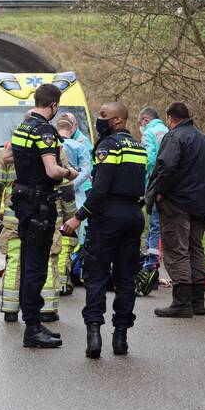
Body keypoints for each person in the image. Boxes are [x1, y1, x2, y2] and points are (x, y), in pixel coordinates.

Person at [63, 102, 146, 359]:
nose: (99, 120)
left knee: (96, 276)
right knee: (125, 279)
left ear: (118, 120)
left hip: (108, 217)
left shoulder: (109, 146)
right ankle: (121, 338)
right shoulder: (138, 147)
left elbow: (100, 188)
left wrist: (78, 217)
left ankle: (94, 336)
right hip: (133, 215)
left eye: (103, 115)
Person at [10, 83, 79, 348]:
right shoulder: (44, 130)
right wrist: (69, 172)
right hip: (40, 205)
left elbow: (9, 157)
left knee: (29, 261)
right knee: (36, 267)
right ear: (54, 105)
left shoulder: (22, 127)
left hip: (24, 204)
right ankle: (32, 328)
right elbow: (51, 170)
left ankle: (33, 322)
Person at [0, 143, 77, 322]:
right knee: (47, 261)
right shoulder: (55, 149)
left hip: (15, 218)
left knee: (14, 262)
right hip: (47, 218)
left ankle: (10, 309)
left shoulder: (10, 149)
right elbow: (66, 189)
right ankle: (46, 309)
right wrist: (71, 215)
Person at [146, 102, 205, 318]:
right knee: (195, 248)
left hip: (177, 203)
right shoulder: (204, 139)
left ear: (169, 117)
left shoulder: (174, 137)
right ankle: (198, 302)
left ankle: (181, 302)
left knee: (176, 249)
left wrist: (160, 192)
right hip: (201, 203)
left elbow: (166, 167)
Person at [56, 116, 91, 292]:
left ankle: (55, 277)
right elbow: (87, 170)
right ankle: (67, 277)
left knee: (56, 237)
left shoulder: (51, 145)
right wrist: (72, 185)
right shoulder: (79, 146)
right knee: (71, 238)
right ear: (71, 129)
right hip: (76, 198)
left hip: (55, 198)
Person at [136, 107, 169, 275]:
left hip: (155, 181)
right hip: (170, 182)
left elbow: (149, 159)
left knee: (155, 223)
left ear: (145, 120)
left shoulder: (149, 133)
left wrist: (141, 176)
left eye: (140, 122)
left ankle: (151, 264)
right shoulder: (167, 130)